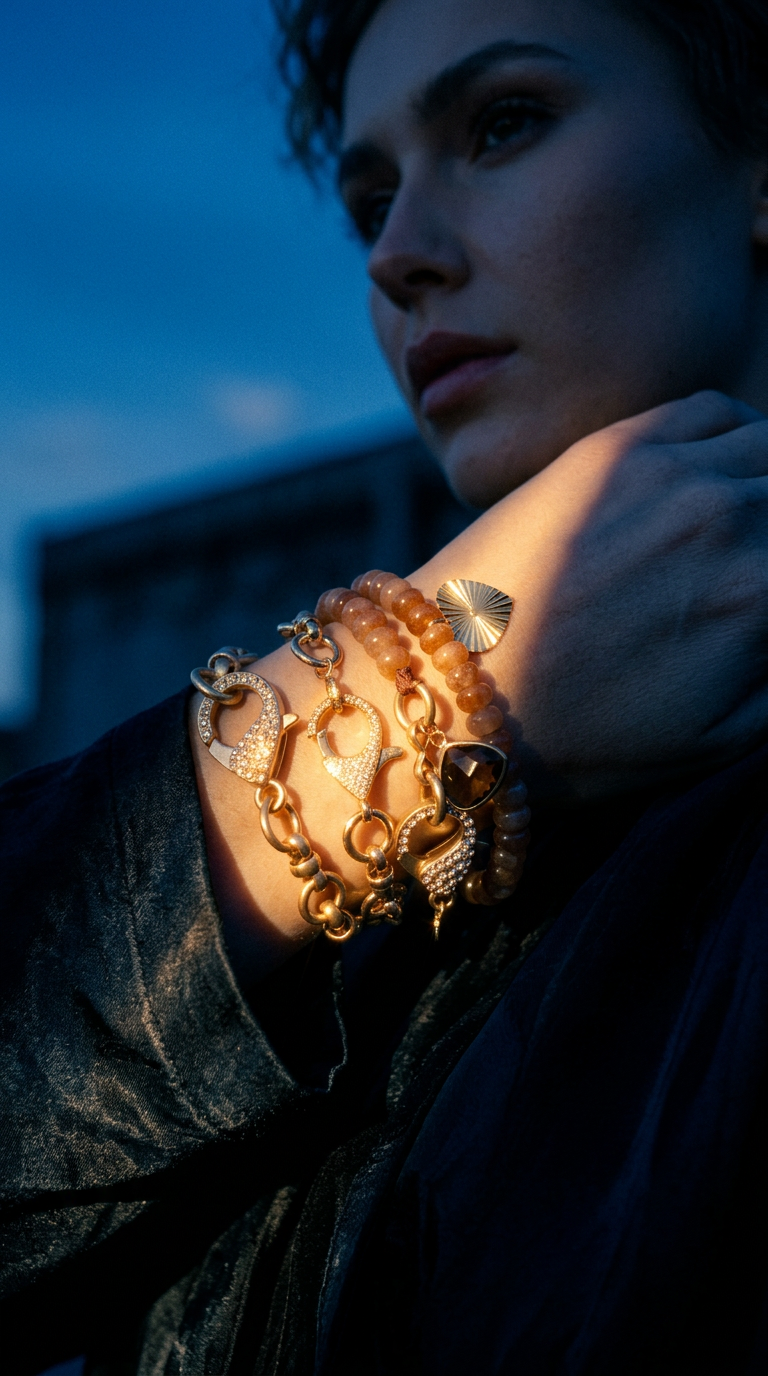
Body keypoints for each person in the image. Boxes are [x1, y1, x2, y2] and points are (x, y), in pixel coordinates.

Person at [2, 0, 767, 1371]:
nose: (399, 257)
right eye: (367, 200)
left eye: (505, 122)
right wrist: (418, 703)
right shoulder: (426, 855)